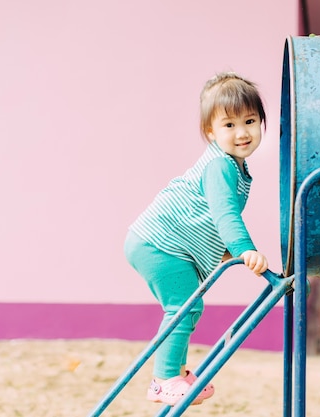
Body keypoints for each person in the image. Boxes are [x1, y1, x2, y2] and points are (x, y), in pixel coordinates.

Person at [124, 71, 269, 406]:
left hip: (159, 243)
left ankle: (176, 370)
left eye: (249, 121)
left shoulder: (233, 167)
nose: (242, 133)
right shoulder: (220, 166)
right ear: (210, 132)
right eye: (229, 125)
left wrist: (222, 254)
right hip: (158, 243)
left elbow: (206, 218)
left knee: (186, 306)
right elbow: (225, 216)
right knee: (183, 307)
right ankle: (164, 380)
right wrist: (245, 249)